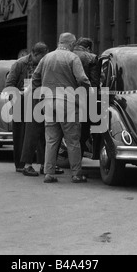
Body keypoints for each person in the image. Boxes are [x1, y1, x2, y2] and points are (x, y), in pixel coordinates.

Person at [32, 33, 91, 184]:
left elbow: (35, 78)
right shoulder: (73, 58)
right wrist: (87, 91)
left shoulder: (46, 58)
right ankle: (76, 174)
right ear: (71, 44)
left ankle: (49, 173)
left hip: (48, 103)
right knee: (72, 140)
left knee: (51, 140)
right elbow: (82, 79)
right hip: (68, 103)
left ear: (59, 42)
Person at [6, 43, 49, 176]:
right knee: (21, 134)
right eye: (41, 57)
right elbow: (9, 85)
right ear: (34, 54)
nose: (43, 60)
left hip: (39, 102)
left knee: (42, 134)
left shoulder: (44, 64)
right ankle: (21, 164)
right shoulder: (20, 64)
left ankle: (43, 164)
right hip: (21, 102)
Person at [73, 37, 100, 156]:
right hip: (85, 99)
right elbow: (94, 83)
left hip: (66, 97)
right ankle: (78, 159)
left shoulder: (68, 55)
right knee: (83, 130)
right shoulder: (92, 58)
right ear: (88, 48)